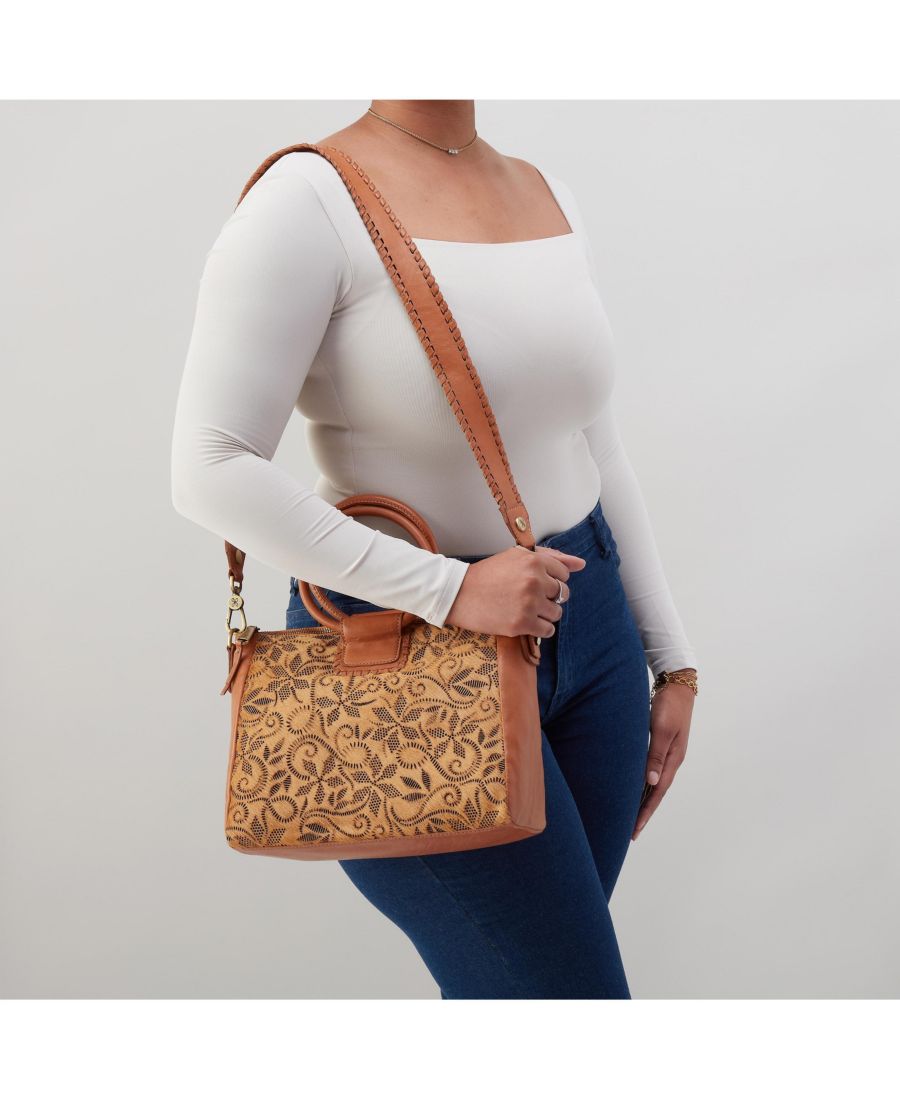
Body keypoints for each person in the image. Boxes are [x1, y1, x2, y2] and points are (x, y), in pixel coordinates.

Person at [171, 100, 699, 998]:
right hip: (406, 655)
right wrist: (450, 590)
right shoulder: (306, 201)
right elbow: (208, 467)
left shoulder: (547, 191)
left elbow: (595, 447)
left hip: (595, 637)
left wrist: (671, 659)